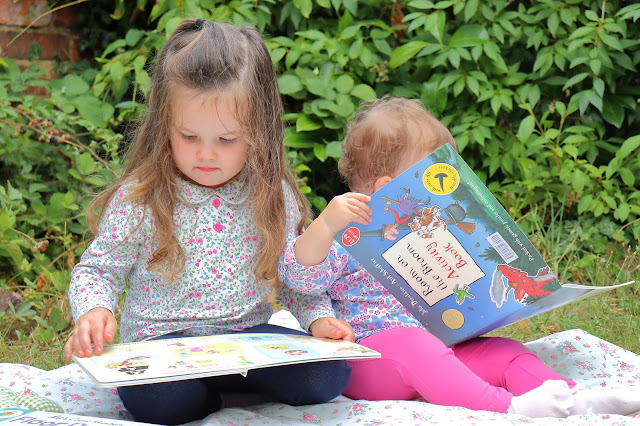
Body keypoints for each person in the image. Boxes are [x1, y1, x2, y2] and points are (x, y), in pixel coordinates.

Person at [64, 18, 353, 425]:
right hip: (162, 347)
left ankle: (222, 387)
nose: (206, 154)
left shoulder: (270, 194)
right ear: (165, 126)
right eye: (189, 137)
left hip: (247, 342)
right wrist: (94, 309)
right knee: (156, 399)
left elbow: (292, 277)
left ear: (257, 132)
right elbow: (98, 270)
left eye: (227, 140)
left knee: (327, 375)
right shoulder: (141, 197)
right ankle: (207, 399)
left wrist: (317, 318)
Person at [279, 96, 640, 418]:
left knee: (504, 352)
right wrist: (324, 226)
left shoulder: (435, 229)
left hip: (441, 349)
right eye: (430, 175)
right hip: (371, 360)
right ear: (390, 187)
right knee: (414, 345)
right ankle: (506, 409)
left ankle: (575, 400)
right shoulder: (350, 236)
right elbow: (299, 277)